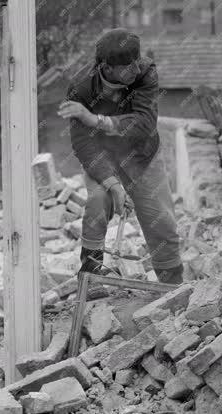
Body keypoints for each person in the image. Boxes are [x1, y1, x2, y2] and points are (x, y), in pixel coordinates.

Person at [58, 28, 182, 283]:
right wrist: (114, 185)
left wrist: (96, 120)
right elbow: (82, 143)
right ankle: (90, 278)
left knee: (162, 223)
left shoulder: (146, 73)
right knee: (96, 203)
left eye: (138, 61)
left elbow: (145, 124)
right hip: (103, 158)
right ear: (107, 67)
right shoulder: (80, 88)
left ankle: (173, 286)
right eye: (128, 66)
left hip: (142, 156)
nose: (136, 69)